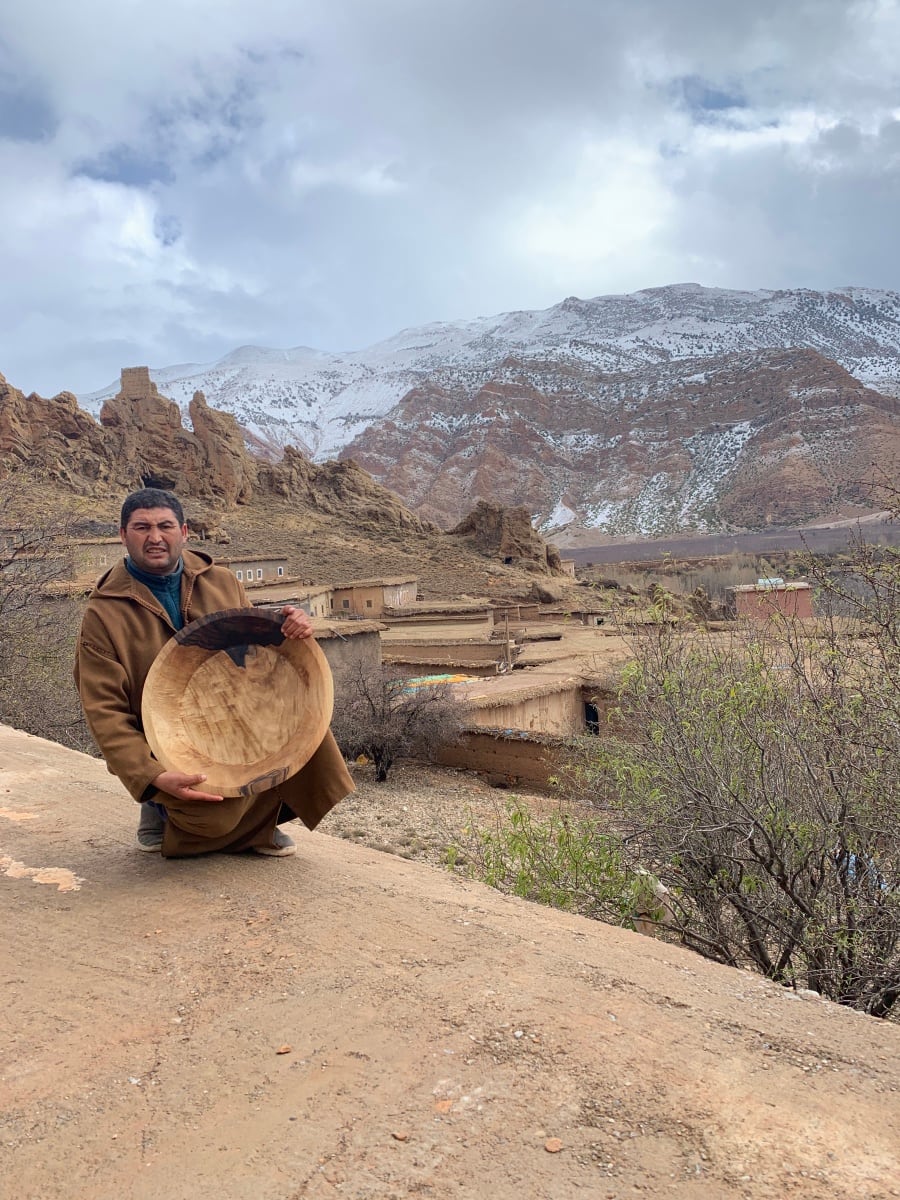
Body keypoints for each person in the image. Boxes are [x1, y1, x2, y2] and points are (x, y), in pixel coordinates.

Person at [74, 487, 354, 857]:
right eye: (141, 527)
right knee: (210, 821)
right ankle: (161, 810)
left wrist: (292, 627)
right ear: (124, 535)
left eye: (165, 526)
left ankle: (260, 823)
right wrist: (149, 774)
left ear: (184, 532)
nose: (155, 537)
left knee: (310, 739)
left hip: (235, 719)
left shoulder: (220, 580)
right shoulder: (103, 614)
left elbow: (257, 644)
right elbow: (103, 710)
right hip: (168, 742)